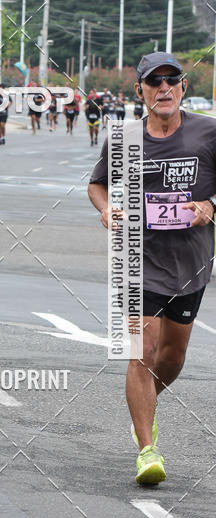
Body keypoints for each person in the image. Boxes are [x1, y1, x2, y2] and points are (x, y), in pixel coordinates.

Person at [88, 51, 216, 484]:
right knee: (139, 354)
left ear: (183, 87)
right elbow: (97, 184)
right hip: (135, 259)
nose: (163, 88)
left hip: (191, 262)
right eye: (153, 82)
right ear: (140, 91)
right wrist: (106, 211)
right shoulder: (124, 137)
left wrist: (209, 206)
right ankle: (147, 449)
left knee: (173, 355)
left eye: (171, 80)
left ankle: (145, 408)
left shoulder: (208, 133)